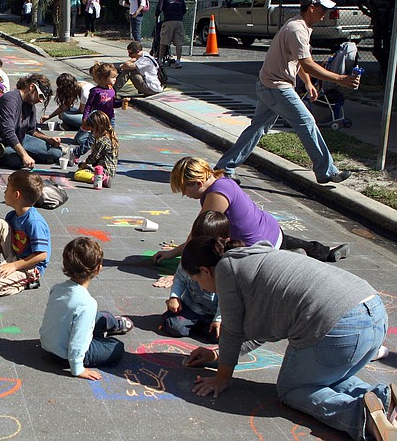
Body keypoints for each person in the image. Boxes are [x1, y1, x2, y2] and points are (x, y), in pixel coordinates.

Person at [181, 236, 391, 441]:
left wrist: (221, 378)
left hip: (338, 327)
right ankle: (386, 400)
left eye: (197, 281)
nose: (201, 288)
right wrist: (217, 354)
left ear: (205, 270)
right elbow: (265, 331)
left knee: (293, 389)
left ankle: (363, 418)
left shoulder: (226, 270)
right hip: (374, 313)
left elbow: (232, 331)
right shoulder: (258, 256)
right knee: (328, 377)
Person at [215, 0, 358, 184]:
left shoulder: (300, 26)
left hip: (269, 84)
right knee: (306, 122)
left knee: (257, 128)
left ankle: (225, 167)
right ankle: (327, 171)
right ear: (312, 7)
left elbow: (297, 61)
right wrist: (340, 79)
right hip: (276, 87)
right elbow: (307, 63)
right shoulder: (297, 30)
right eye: (323, 8)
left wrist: (307, 82)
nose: (325, 12)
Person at [153, 157, 350, 265]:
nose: (184, 195)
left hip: (254, 245)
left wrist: (179, 259)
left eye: (184, 189)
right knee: (287, 243)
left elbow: (199, 234)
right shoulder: (224, 182)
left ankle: (293, 259)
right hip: (270, 230)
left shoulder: (216, 194)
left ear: (197, 182)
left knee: (222, 262)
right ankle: (326, 252)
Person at [39, 237, 130, 380]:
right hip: (64, 355)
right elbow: (77, 341)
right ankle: (105, 331)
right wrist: (78, 369)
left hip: (48, 345)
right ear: (98, 269)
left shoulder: (57, 289)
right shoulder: (87, 303)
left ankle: (110, 325)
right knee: (117, 348)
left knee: (99, 316)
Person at [164, 211, 227, 341]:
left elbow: (226, 300)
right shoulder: (190, 258)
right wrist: (174, 297)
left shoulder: (225, 268)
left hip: (217, 313)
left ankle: (204, 327)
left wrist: (218, 319)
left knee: (222, 335)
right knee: (174, 326)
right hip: (193, 307)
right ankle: (198, 327)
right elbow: (180, 278)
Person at [0, 73, 62, 169]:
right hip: (1, 143)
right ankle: (25, 156)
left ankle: (30, 156)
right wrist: (24, 155)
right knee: (18, 161)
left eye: (43, 98)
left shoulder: (30, 103)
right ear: (32, 87)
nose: (40, 100)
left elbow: (32, 130)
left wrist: (48, 139)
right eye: (40, 96)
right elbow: (8, 133)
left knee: (56, 152)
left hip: (21, 138)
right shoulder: (10, 100)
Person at [72, 62, 127, 160]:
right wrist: (85, 117)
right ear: (103, 78)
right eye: (112, 77)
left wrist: (122, 102)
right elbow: (89, 105)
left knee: (110, 139)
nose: (115, 79)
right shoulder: (95, 91)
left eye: (115, 77)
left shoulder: (112, 90)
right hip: (98, 120)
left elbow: (113, 104)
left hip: (110, 119)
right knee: (92, 140)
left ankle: (104, 157)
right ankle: (76, 153)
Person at [74, 111, 118, 188]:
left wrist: (85, 164)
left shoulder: (102, 140)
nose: (91, 131)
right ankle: (100, 177)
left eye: (92, 128)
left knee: (77, 175)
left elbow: (93, 158)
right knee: (81, 168)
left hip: (103, 170)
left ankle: (101, 178)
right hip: (110, 170)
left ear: (97, 127)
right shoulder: (110, 137)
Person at [156, 0, 186, 68]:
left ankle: (160, 60)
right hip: (179, 21)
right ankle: (178, 61)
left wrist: (157, 15)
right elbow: (184, 10)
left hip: (168, 20)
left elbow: (159, 9)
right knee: (178, 42)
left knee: (164, 41)